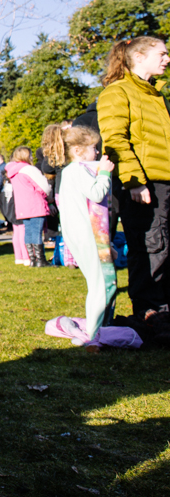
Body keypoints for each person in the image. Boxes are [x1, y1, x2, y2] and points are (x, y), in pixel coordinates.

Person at [98, 36, 170, 318]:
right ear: (139, 57)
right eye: (162, 54)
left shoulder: (156, 95)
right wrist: (134, 181)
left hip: (164, 182)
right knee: (152, 247)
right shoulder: (117, 92)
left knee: (165, 248)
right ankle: (152, 313)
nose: (167, 59)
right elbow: (114, 141)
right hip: (141, 184)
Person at [48, 125, 117, 341]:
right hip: (88, 235)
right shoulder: (77, 170)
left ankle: (100, 329)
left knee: (104, 282)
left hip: (83, 234)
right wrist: (105, 172)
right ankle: (94, 335)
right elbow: (96, 193)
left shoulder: (70, 172)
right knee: (102, 285)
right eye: (93, 148)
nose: (97, 152)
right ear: (78, 150)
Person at [6, 146, 50, 267]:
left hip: (22, 206)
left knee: (28, 232)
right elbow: (43, 186)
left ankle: (32, 259)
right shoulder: (29, 169)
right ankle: (40, 259)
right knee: (36, 232)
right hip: (35, 204)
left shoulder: (13, 172)